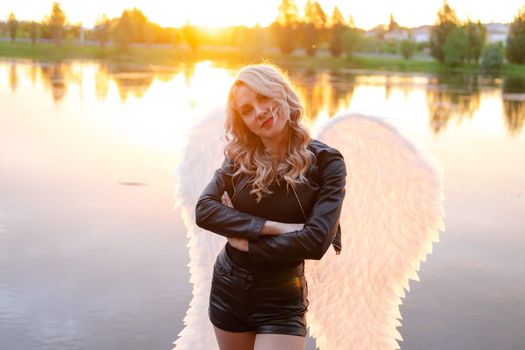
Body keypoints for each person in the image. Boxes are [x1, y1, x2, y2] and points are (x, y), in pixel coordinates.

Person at [195, 64, 347, 350]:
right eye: (247, 110)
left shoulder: (326, 162)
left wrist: (248, 244)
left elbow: (315, 242)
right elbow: (205, 210)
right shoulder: (238, 159)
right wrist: (278, 228)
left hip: (282, 296)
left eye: (263, 98)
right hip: (229, 288)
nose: (260, 112)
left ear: (281, 93)